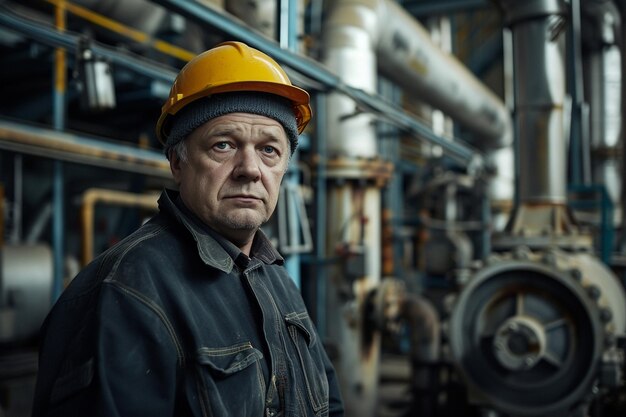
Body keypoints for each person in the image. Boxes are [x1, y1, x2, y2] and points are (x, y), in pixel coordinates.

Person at [31, 41, 344, 417]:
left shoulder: (277, 282)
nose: (250, 169)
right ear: (177, 163)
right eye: (224, 145)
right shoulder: (126, 291)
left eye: (269, 150)